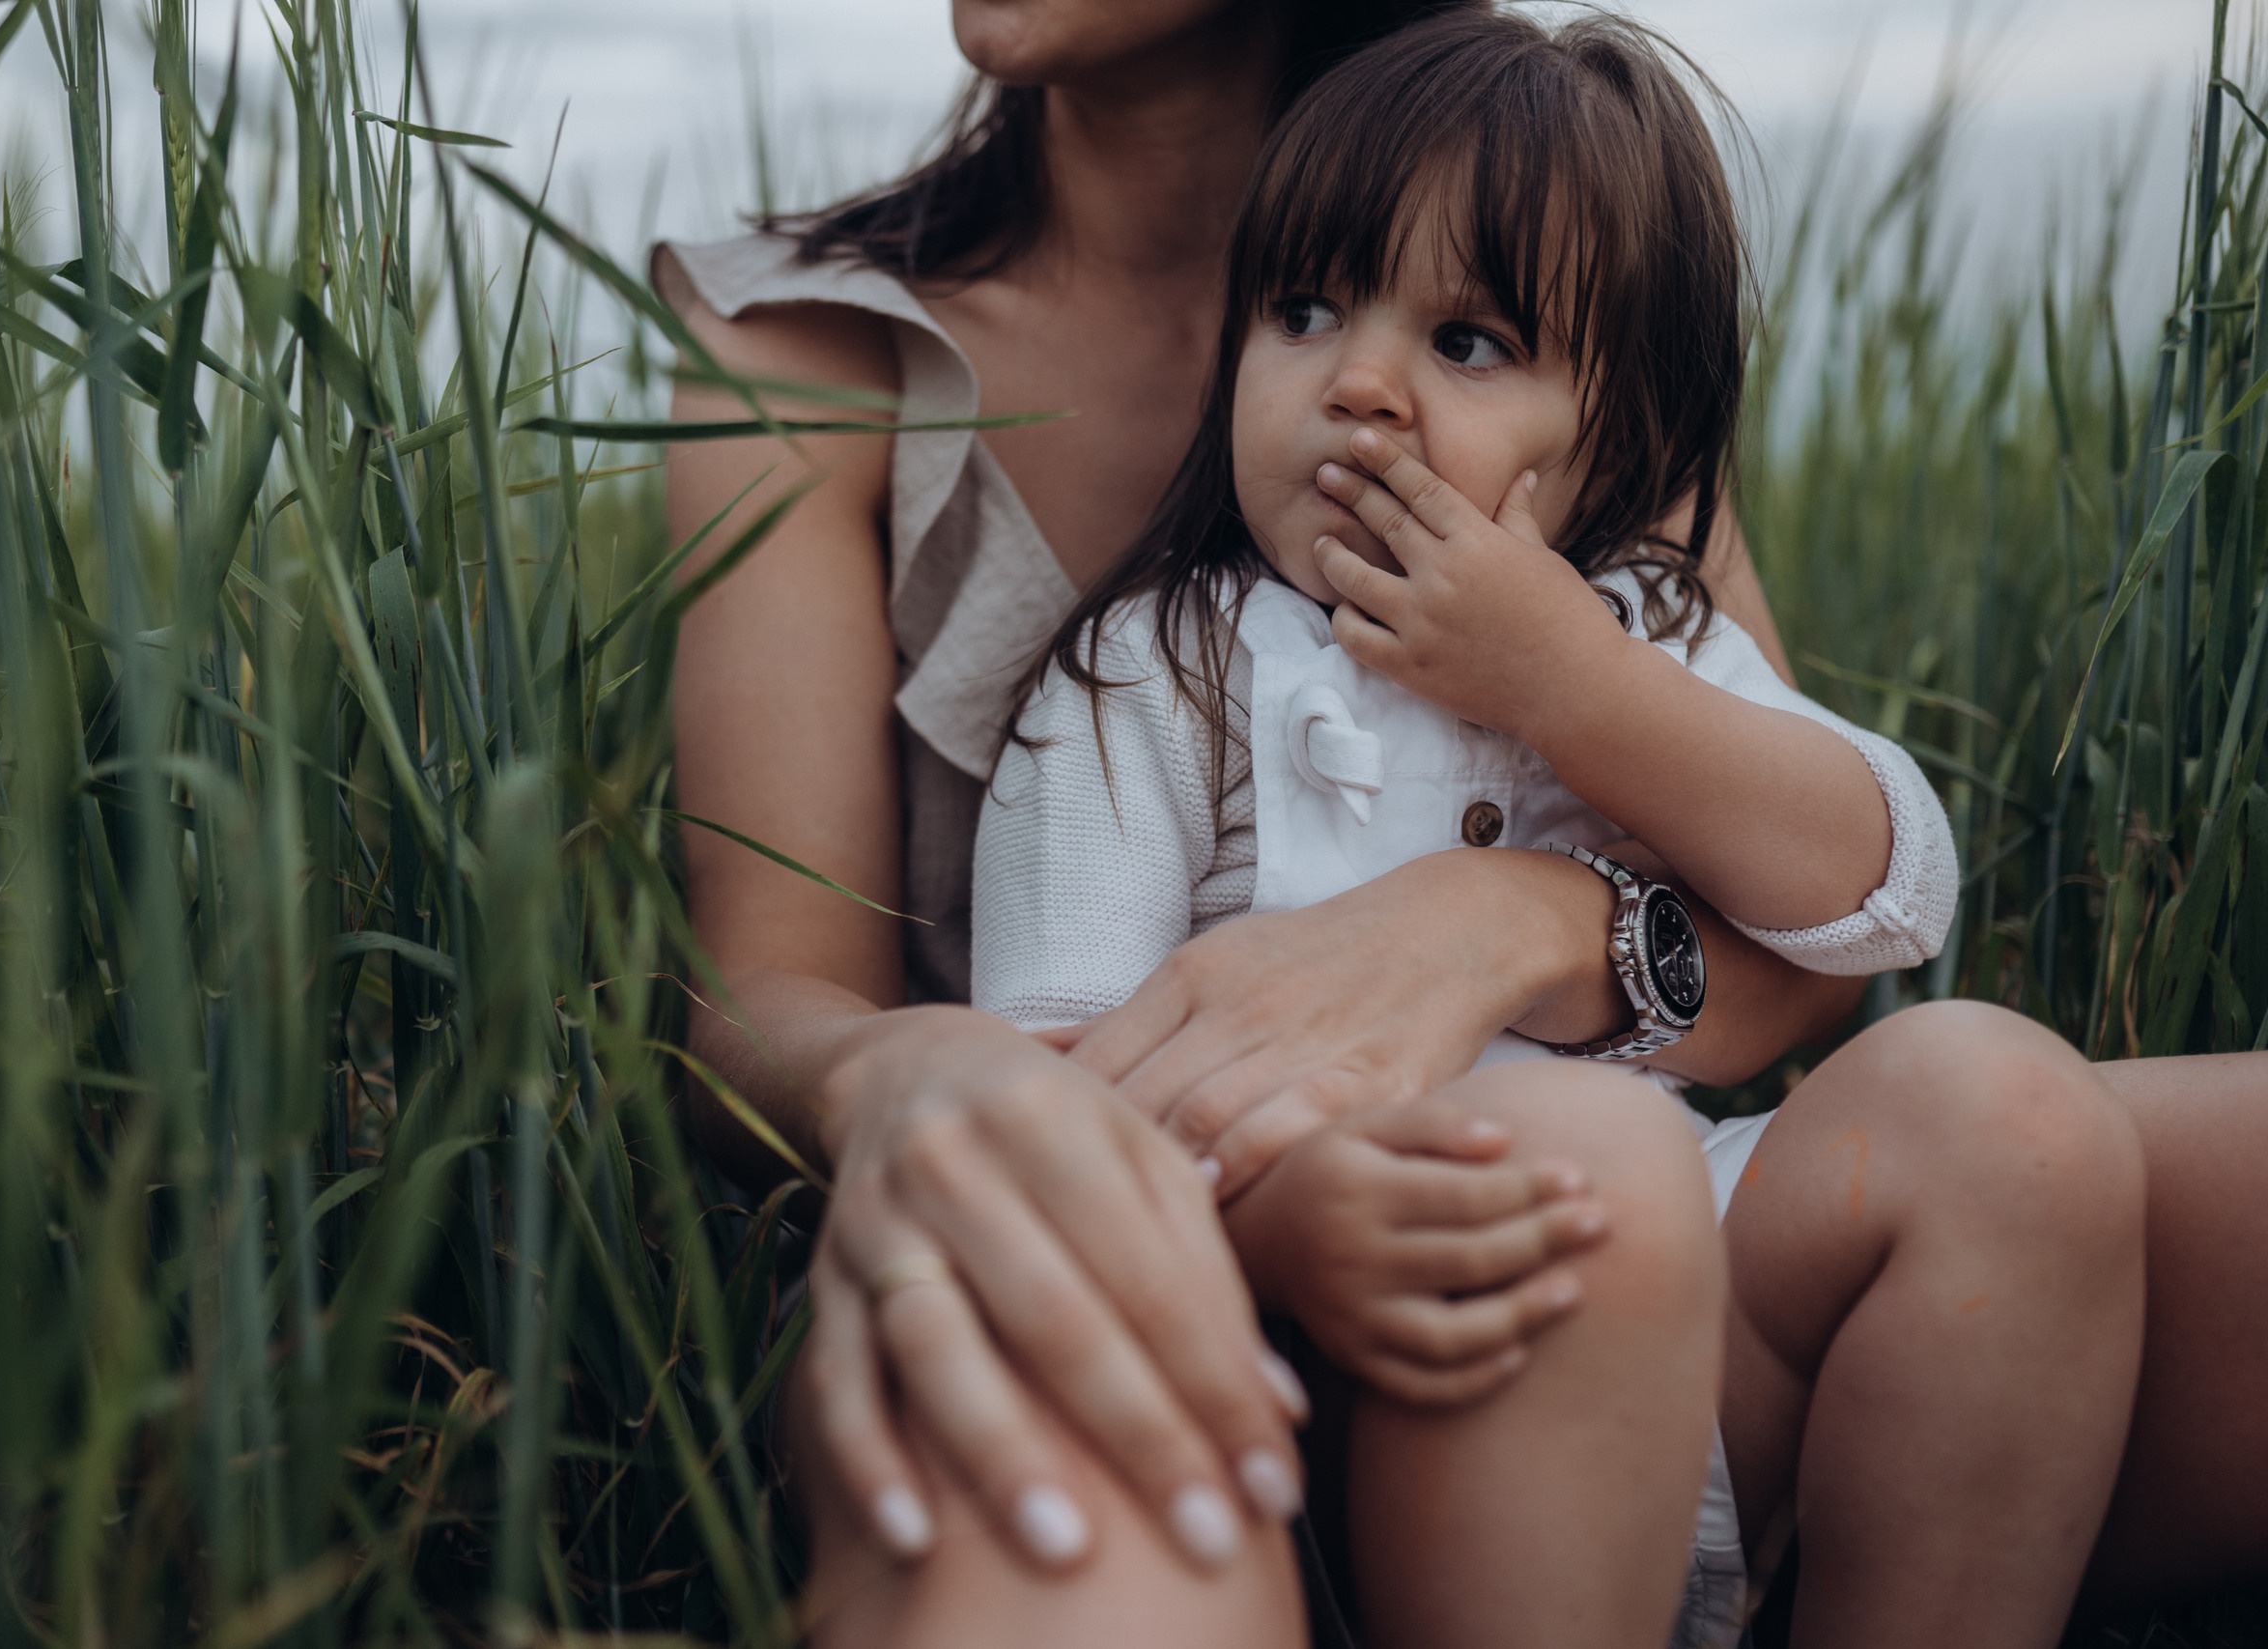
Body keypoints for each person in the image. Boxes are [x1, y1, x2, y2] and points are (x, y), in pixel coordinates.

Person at [656, 1, 2268, 1643]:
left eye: (1466, 342)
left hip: (1666, 1239)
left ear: (1606, 432)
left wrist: (1526, 848)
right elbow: (981, 1059)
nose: (1365, 385)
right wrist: (1234, 1202)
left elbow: (1854, 913)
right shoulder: (1143, 662)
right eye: (1300, 311)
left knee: (2004, 1113)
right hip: (1237, 1261)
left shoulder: (1567, 289)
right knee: (1583, 1169)